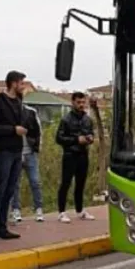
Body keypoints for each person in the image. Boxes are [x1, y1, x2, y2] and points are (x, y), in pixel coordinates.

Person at [0, 71, 28, 243]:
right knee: (0, 190)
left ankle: (2, 226)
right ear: (13, 83)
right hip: (4, 152)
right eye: (21, 83)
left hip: (17, 151)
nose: (23, 86)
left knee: (10, 190)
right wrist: (12, 129)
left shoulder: (19, 102)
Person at [55, 92, 96, 223]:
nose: (81, 105)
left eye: (83, 102)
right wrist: (76, 140)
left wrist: (90, 138)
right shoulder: (66, 119)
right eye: (78, 102)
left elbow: (91, 133)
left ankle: (80, 210)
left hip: (83, 154)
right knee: (66, 183)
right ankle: (61, 212)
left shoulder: (87, 119)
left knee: (81, 183)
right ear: (73, 102)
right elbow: (59, 138)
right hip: (70, 155)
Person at [11, 103, 44, 223]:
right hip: (15, 152)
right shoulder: (9, 113)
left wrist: (38, 147)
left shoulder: (31, 112)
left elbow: (39, 130)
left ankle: (39, 208)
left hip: (30, 152)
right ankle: (15, 209)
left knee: (35, 181)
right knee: (15, 183)